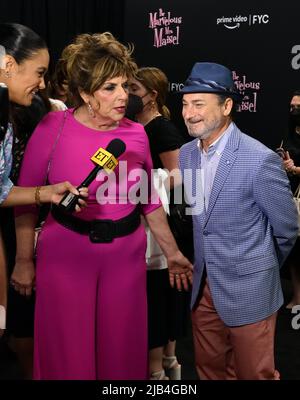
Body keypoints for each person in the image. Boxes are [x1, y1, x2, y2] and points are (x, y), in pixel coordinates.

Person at [12, 32, 193, 380]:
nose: (123, 96)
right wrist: (23, 261)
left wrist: (172, 254)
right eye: (110, 87)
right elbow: (26, 199)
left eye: (125, 85)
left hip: (125, 259)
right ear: (84, 92)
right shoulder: (52, 128)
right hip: (65, 255)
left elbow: (148, 200)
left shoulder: (136, 134)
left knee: (122, 356)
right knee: (68, 358)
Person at [178, 62, 298, 380]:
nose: (189, 113)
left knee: (254, 374)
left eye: (199, 104)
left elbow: (287, 229)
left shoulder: (259, 160)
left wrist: (259, 267)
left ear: (227, 105)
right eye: (185, 104)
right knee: (209, 370)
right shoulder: (186, 154)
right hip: (204, 289)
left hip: (250, 290)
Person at [0, 23, 87, 348]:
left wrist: (46, 193)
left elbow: (1, 190)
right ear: (8, 64)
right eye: (38, 72)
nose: (42, 83)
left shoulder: (8, 120)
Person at [129, 66, 191, 380]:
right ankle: (166, 363)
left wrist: (140, 192)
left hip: (160, 226)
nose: (128, 95)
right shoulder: (129, 125)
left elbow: (179, 176)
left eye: (134, 89)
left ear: (152, 96)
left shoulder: (162, 129)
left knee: (160, 297)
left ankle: (163, 367)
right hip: (140, 224)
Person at [280, 90, 300, 308]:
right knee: (296, 254)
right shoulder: (289, 133)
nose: (294, 111)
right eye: (291, 107)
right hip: (292, 198)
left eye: (298, 107)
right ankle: (297, 296)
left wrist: (296, 169)